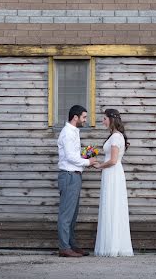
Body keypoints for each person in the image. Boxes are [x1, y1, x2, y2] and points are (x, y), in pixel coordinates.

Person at [57, 104, 97, 258]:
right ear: (75, 117)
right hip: (69, 176)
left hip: (75, 175)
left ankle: (71, 245)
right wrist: (88, 162)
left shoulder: (74, 132)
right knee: (66, 214)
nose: (85, 120)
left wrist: (85, 157)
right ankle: (64, 248)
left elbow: (74, 155)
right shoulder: (68, 133)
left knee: (73, 214)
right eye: (84, 117)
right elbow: (70, 157)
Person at [93, 108, 134, 257]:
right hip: (111, 173)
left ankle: (112, 246)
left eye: (104, 118)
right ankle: (111, 243)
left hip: (113, 173)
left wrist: (99, 165)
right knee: (110, 206)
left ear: (111, 119)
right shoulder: (114, 136)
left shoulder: (116, 137)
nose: (102, 121)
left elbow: (113, 160)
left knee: (112, 206)